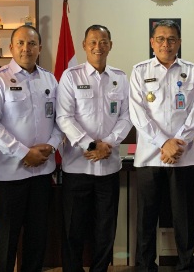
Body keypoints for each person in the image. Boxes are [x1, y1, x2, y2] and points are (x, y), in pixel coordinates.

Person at [0, 25, 63, 272]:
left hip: (42, 173)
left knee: (37, 237)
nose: (26, 48)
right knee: (6, 238)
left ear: (39, 48)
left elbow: (60, 120)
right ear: (11, 47)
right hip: (9, 175)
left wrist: (51, 146)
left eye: (32, 43)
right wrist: (23, 152)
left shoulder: (49, 79)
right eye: (21, 43)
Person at [129, 19, 194, 272]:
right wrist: (164, 143)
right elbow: (138, 114)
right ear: (152, 42)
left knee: (183, 217)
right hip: (150, 157)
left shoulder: (192, 71)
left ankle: (186, 266)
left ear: (179, 42)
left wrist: (176, 145)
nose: (166, 44)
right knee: (147, 218)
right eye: (160, 39)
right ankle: (145, 267)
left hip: (182, 156)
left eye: (171, 39)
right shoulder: (139, 71)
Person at [56, 24, 132, 272]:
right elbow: (64, 117)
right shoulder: (71, 76)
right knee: (73, 230)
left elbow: (127, 116)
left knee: (105, 230)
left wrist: (108, 144)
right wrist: (91, 144)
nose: (98, 46)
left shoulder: (120, 78)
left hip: (108, 167)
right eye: (93, 42)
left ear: (110, 45)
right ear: (84, 45)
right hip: (77, 167)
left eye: (103, 41)